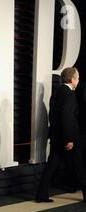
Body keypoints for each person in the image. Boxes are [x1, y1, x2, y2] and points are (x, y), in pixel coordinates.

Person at [36, 67, 86, 203]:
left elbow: (53, 116)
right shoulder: (69, 94)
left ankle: (41, 194)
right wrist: (69, 139)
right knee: (79, 167)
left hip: (57, 137)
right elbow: (67, 117)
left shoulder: (57, 93)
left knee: (51, 166)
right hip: (67, 139)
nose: (79, 80)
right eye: (78, 77)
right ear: (72, 79)